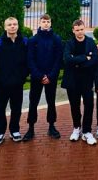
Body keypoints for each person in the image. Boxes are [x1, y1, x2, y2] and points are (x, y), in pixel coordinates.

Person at [61, 19, 98, 146]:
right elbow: (67, 59)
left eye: (82, 29)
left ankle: (87, 131)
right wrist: (85, 57)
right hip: (72, 81)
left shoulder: (90, 42)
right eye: (77, 30)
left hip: (87, 81)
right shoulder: (69, 43)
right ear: (73, 30)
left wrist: (77, 62)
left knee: (89, 105)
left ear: (84, 29)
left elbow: (95, 60)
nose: (80, 32)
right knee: (74, 106)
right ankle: (76, 128)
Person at [23, 14, 63, 142]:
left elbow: (58, 59)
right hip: (37, 77)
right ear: (39, 23)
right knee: (33, 102)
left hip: (51, 77)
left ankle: (51, 126)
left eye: (48, 21)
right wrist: (39, 75)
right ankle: (31, 128)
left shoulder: (56, 39)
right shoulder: (33, 40)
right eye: (44, 21)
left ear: (51, 23)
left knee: (51, 102)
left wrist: (50, 76)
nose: (46, 23)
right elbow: (30, 60)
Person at [0, 17, 29, 145]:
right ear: (5, 27)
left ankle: (14, 130)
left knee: (16, 108)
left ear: (18, 26)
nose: (12, 26)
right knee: (1, 108)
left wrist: (23, 77)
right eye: (10, 24)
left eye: (15, 24)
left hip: (18, 83)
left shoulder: (24, 42)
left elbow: (27, 62)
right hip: (2, 84)